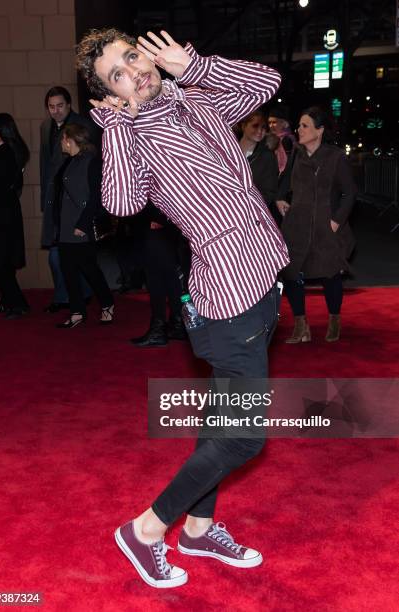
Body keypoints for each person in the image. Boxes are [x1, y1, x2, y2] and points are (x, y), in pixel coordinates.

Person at [76, 28, 289, 588]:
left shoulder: (195, 93)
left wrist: (192, 62)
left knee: (221, 422)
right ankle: (146, 530)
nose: (132, 72)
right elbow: (122, 202)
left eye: (131, 57)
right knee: (243, 437)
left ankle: (198, 530)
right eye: (115, 76)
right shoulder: (133, 134)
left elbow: (267, 82)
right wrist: (118, 127)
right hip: (227, 297)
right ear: (112, 94)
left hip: (264, 278)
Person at [276, 107, 357, 343]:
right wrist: (280, 198)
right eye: (299, 125)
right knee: (292, 274)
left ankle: (334, 320)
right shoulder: (297, 153)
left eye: (305, 126)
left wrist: (335, 222)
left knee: (329, 274)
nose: (299, 130)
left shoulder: (336, 156)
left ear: (319, 130)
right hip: (296, 225)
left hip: (326, 225)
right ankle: (301, 326)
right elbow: (283, 183)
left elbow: (349, 193)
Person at [48, 123, 114, 328]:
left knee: (89, 269)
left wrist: (83, 223)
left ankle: (107, 303)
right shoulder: (68, 162)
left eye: (62, 138)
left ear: (70, 139)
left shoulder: (92, 162)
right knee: (67, 270)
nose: (60, 142)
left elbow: (96, 197)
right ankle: (77, 312)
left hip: (81, 226)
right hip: (66, 225)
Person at [40, 86, 94, 313]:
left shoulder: (83, 124)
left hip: (75, 201)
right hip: (55, 200)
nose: (56, 111)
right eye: (51, 107)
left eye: (60, 105)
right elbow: (45, 166)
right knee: (59, 255)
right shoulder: (45, 127)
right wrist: (45, 199)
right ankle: (69, 297)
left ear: (69, 105)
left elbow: (90, 163)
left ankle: (79, 297)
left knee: (72, 256)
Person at [0, 113, 30, 319]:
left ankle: (17, 304)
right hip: (6, 212)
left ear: (0, 130)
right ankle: (8, 302)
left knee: (1, 262)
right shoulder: (9, 151)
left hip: (2, 214)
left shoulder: (4, 153)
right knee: (2, 261)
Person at [130, 201, 188, 347]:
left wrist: (160, 218)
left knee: (155, 276)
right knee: (168, 274)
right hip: (165, 223)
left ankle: (159, 330)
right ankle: (177, 324)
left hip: (157, 222)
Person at [237, 110, 279, 217]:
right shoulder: (227, 151)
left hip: (249, 215)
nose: (260, 131)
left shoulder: (268, 157)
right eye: (255, 126)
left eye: (264, 127)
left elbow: (268, 193)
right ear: (243, 126)